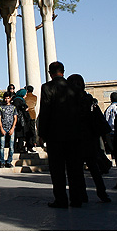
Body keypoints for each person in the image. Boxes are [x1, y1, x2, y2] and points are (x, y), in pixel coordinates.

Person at [38, 61, 84, 208]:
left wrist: (41, 133)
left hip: (55, 134)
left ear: (50, 73)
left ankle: (61, 199)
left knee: (57, 169)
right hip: (74, 134)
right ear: (63, 71)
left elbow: (45, 112)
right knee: (74, 168)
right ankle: (76, 199)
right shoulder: (74, 88)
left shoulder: (47, 87)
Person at [67, 74, 111, 203]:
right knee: (94, 168)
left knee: (76, 170)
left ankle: (80, 196)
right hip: (90, 139)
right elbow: (100, 121)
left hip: (75, 140)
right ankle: (102, 193)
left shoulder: (68, 102)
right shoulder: (90, 100)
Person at [0, 91, 17, 168]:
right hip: (3, 127)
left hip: (11, 128)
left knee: (11, 146)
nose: (6, 100)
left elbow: (15, 118)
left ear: (10, 99)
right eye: (5, 98)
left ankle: (9, 161)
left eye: (8, 98)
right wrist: (1, 128)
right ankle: (2, 161)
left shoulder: (13, 107)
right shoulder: (1, 107)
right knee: (2, 146)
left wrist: (12, 128)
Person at [24, 85, 38, 152]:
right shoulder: (35, 97)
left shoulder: (25, 98)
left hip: (26, 115)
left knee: (27, 130)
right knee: (33, 129)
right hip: (33, 114)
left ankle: (28, 143)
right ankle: (34, 142)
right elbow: (34, 104)